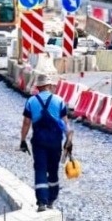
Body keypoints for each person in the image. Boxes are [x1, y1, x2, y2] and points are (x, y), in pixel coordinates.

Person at [19, 62, 73, 212]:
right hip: (55, 141)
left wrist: (23, 140)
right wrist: (69, 141)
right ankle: (51, 200)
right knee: (53, 169)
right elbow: (65, 123)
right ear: (49, 86)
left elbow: (26, 123)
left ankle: (41, 202)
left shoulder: (31, 101)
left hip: (39, 141)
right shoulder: (59, 101)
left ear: (38, 87)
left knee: (40, 169)